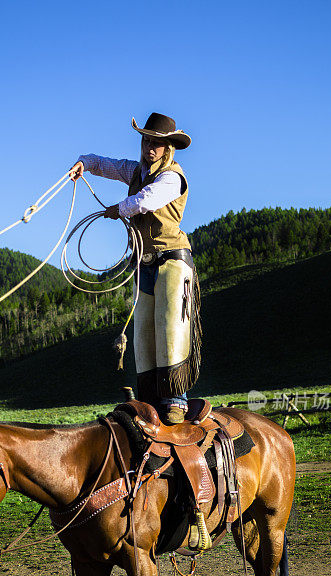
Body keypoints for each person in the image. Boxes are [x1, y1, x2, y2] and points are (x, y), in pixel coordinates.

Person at [70, 112, 201, 425]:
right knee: (144, 331)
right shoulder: (136, 171)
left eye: (157, 143)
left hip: (172, 257)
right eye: (146, 141)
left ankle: (175, 399)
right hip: (144, 261)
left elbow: (147, 200)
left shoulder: (173, 176)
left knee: (170, 326)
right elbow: (111, 165)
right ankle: (149, 398)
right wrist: (85, 163)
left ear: (168, 147)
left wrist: (120, 209)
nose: (150, 147)